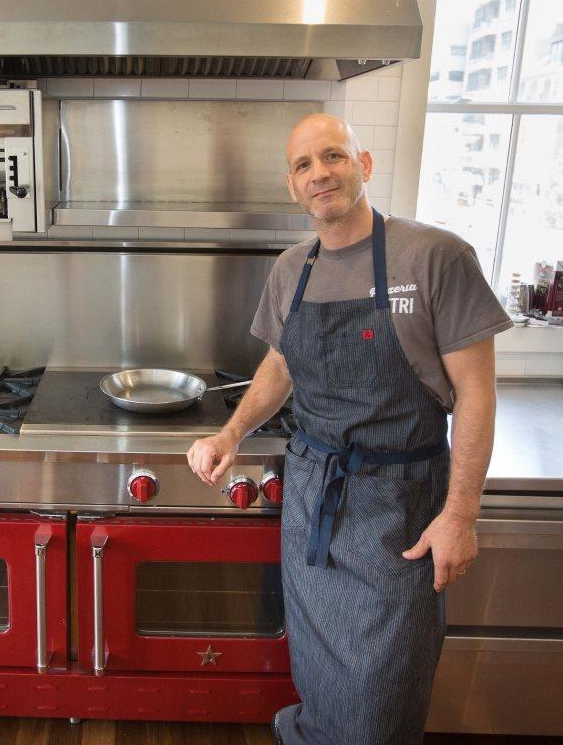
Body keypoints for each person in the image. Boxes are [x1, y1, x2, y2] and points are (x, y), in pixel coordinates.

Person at [186, 114, 512, 745]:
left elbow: (477, 389)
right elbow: (281, 364)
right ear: (292, 186)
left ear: (363, 165)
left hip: (401, 505)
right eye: (304, 166)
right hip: (312, 497)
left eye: (332, 156)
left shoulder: (436, 255)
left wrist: (462, 512)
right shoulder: (290, 269)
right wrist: (231, 435)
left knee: (385, 693)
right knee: (316, 670)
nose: (319, 175)